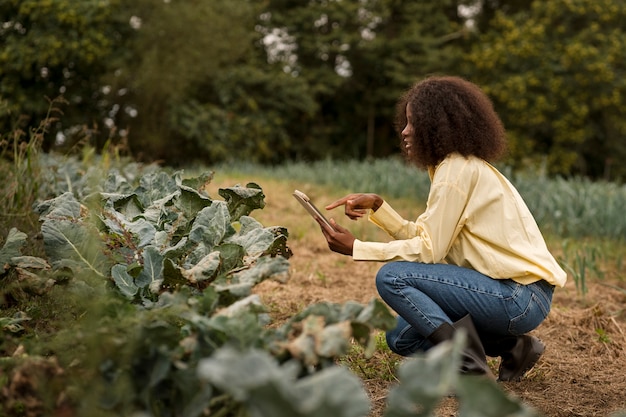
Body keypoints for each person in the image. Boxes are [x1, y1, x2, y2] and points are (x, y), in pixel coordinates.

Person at [316, 75, 567, 380]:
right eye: (405, 122)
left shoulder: (455, 171)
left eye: (413, 123)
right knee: (401, 337)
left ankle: (469, 370)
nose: (404, 132)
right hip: (512, 295)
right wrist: (379, 208)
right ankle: (514, 347)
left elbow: (428, 250)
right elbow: (429, 240)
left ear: (436, 125)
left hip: (518, 297)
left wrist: (357, 248)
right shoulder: (455, 167)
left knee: (392, 278)